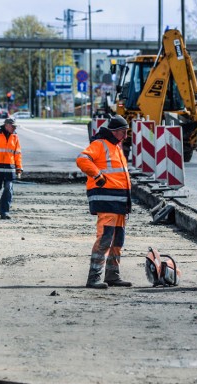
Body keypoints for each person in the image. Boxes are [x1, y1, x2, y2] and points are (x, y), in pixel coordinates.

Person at [76, 115, 133, 289]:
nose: (125, 135)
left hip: (119, 202)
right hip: (106, 200)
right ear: (115, 131)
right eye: (123, 132)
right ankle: (94, 278)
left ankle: (112, 275)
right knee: (105, 239)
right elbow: (82, 159)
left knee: (117, 241)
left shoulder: (116, 146)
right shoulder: (99, 144)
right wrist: (97, 176)